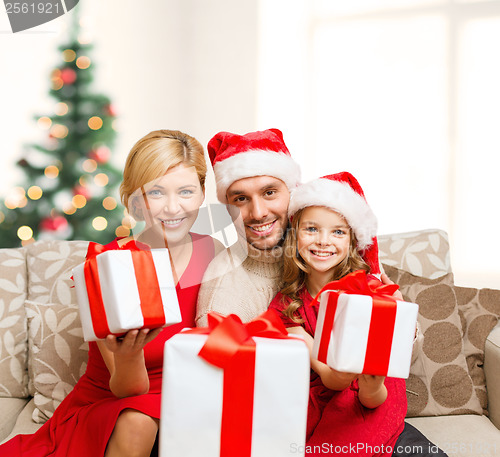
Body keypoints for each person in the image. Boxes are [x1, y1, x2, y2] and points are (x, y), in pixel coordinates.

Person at [196, 129, 447, 457]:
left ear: (293, 193)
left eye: (270, 192)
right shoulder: (235, 282)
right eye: (240, 198)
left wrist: (399, 331)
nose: (257, 212)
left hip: (373, 409)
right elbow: (218, 375)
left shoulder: (352, 267)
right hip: (293, 419)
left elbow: (392, 367)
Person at [0, 129, 223, 457]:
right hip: (117, 401)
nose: (173, 208)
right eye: (156, 192)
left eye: (186, 191)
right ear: (135, 200)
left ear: (203, 193)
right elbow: (125, 387)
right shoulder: (110, 264)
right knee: (139, 421)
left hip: (182, 397)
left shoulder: (214, 251)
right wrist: (130, 353)